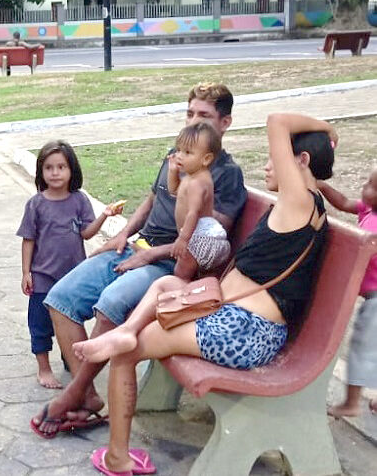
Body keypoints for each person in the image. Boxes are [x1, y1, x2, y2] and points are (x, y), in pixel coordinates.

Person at [74, 113, 335, 475]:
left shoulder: (298, 201)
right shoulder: (314, 203)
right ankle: (125, 332)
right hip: (237, 318)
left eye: (275, 161)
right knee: (164, 285)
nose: (266, 166)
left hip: (244, 331)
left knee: (126, 355)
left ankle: (117, 455)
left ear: (301, 161)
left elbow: (275, 120)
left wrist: (327, 130)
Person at [31, 83, 246, 437]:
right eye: (189, 113)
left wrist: (151, 254)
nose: (193, 122)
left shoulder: (225, 174)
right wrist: (123, 235)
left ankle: (72, 393)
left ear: (225, 123)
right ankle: (86, 396)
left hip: (168, 265)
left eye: (203, 116)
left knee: (110, 305)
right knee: (60, 297)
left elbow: (207, 237)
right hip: (136, 249)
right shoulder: (177, 152)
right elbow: (151, 199)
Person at [17, 141, 124, 389]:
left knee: (70, 320)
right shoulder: (36, 204)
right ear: (41, 172)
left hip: (72, 277)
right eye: (49, 168)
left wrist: (104, 216)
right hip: (43, 277)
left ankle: (70, 359)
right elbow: (28, 240)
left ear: (71, 170)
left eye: (61, 167)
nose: (55, 173)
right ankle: (43, 368)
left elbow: (86, 233)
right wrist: (26, 272)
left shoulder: (79, 200)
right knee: (40, 325)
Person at [319, 168, 377, 417]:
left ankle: (352, 403)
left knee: (362, 347)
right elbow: (342, 202)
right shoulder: (368, 209)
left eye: (371, 185)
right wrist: (322, 186)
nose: (364, 187)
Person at [166, 121, 230, 280]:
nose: (180, 155)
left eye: (187, 152)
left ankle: (184, 300)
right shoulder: (191, 176)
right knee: (203, 276)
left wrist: (183, 239)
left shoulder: (197, 183)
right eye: (179, 150)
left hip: (199, 238)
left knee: (181, 274)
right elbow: (174, 190)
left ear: (206, 159)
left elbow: (193, 213)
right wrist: (173, 171)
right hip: (204, 237)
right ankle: (206, 297)